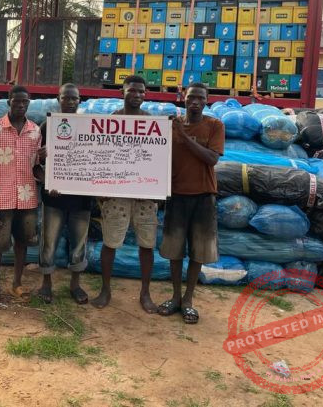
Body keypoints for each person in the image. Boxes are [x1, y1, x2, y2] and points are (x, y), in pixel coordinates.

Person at [158, 81, 224, 324]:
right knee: (174, 251)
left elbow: (211, 159)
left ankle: (188, 300)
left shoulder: (215, 125)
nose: (195, 102)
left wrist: (184, 137)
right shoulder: (172, 125)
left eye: (200, 98)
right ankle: (175, 297)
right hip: (177, 195)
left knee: (198, 252)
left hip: (203, 196)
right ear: (183, 98)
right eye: (191, 97)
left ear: (206, 101)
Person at [92, 75, 159, 312]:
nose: (137, 95)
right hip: (117, 194)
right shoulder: (112, 121)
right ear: (122, 92)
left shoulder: (152, 123)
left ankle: (145, 293)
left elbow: (159, 159)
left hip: (145, 195)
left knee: (147, 245)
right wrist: (102, 190)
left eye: (141, 91)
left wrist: (158, 188)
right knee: (110, 242)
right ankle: (105, 290)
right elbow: (102, 156)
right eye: (132, 91)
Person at [0, 85, 41, 306]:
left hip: (27, 198)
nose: (21, 105)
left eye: (25, 102)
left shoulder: (35, 131)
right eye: (17, 101)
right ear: (9, 102)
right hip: (1, 197)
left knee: (22, 242)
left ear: (28, 103)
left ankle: (16, 283)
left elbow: (37, 167)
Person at [34, 83, 91, 305]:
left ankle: (75, 284)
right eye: (65, 98)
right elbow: (34, 164)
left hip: (82, 198)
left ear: (80, 100)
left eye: (74, 98)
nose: (70, 102)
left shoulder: (90, 126)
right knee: (48, 241)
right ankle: (46, 283)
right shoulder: (47, 126)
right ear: (58, 99)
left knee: (79, 243)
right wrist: (44, 177)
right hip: (54, 197)